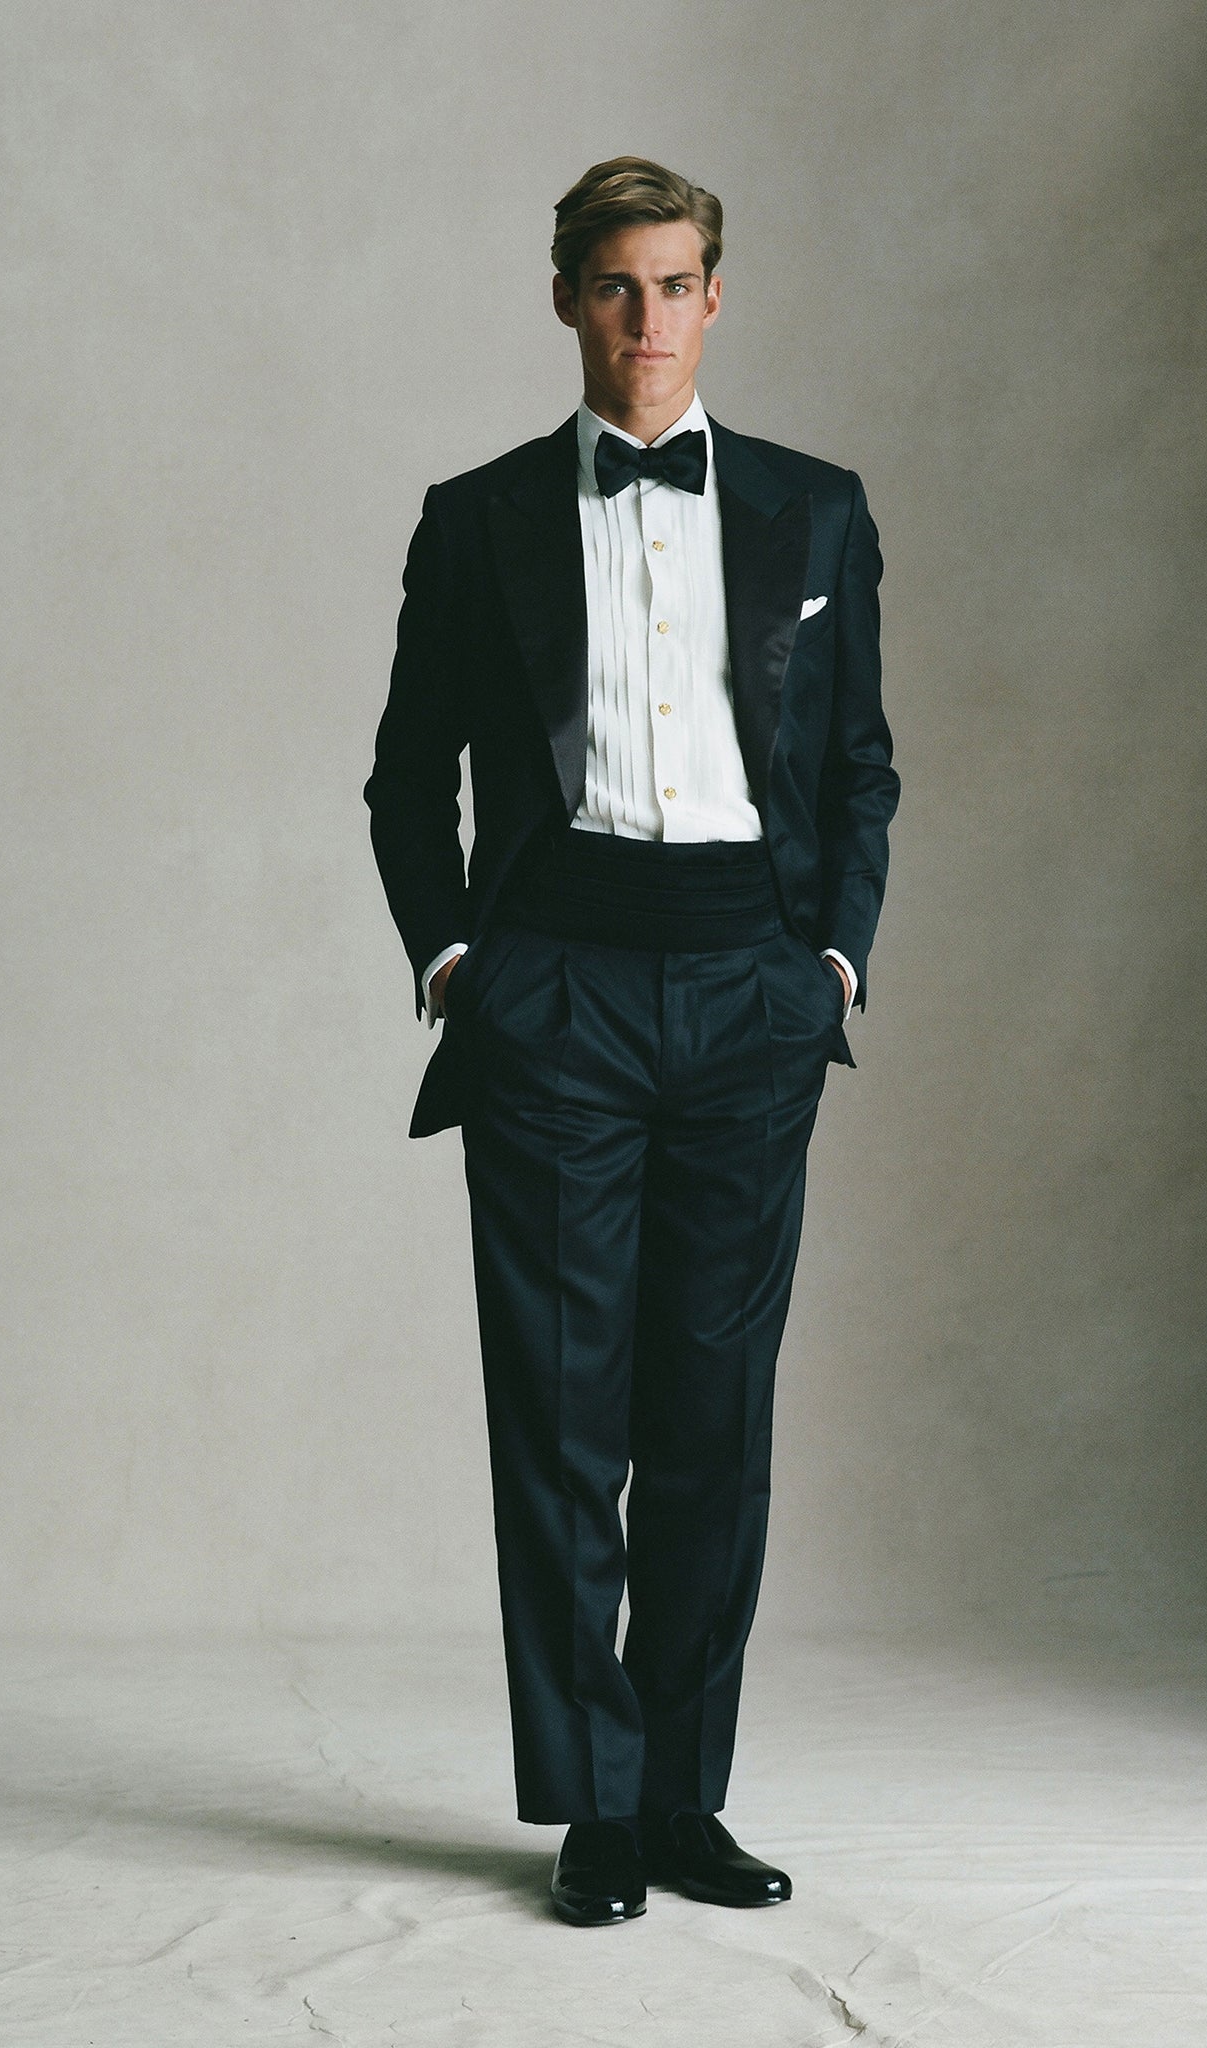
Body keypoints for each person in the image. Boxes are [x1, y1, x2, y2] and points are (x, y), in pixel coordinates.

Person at [364, 156, 900, 1926]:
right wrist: (462, 967)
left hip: (750, 986)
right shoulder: (478, 519)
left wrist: (829, 967)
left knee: (711, 1422)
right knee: (558, 1415)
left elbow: (857, 767)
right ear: (564, 300)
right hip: (559, 995)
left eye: (674, 286)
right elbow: (405, 780)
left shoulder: (816, 510)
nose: (646, 321)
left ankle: (680, 1797)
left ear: (714, 300)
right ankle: (593, 1808)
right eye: (614, 286)